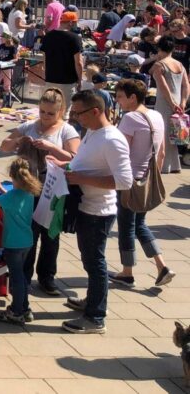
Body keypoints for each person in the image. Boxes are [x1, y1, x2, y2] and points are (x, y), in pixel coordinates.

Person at [62, 90, 133, 334]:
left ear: (95, 111)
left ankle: (96, 317)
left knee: (95, 262)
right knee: (89, 259)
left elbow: (125, 181)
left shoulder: (112, 139)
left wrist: (80, 177)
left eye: (78, 113)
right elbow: (85, 161)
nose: (75, 118)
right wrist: (66, 167)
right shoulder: (92, 131)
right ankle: (93, 301)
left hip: (98, 211)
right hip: (86, 206)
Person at [0, 88, 79, 296]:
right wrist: (18, 141)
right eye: (42, 111)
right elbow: (4, 147)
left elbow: (75, 158)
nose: (45, 117)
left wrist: (50, 148)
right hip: (28, 189)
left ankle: (46, 277)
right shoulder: (29, 126)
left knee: (50, 236)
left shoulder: (67, 131)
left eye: (50, 113)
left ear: (60, 111)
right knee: (29, 234)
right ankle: (24, 277)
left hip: (54, 190)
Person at [113, 78, 175, 288]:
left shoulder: (130, 118)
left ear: (132, 97)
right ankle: (162, 266)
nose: (117, 100)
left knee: (127, 226)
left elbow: (121, 152)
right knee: (139, 224)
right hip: (147, 179)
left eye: (120, 96)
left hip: (129, 180)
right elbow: (162, 151)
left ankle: (127, 272)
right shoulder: (156, 116)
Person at [0, 158, 42, 325]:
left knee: (16, 278)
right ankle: (25, 308)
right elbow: (14, 199)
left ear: (13, 177)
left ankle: (16, 311)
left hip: (13, 243)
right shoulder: (28, 192)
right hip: (26, 241)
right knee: (21, 275)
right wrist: (0, 188)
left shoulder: (14, 195)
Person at [150, 36, 189, 174]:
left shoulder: (159, 65)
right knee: (174, 134)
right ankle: (174, 164)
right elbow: (186, 85)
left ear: (159, 48)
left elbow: (163, 86)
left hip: (165, 102)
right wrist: (182, 102)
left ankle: (164, 165)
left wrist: (172, 103)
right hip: (179, 102)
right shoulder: (180, 65)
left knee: (163, 131)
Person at [40, 12, 83, 113]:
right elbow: (78, 62)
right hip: (67, 81)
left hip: (50, 78)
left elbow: (44, 59)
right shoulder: (74, 38)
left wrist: (46, 75)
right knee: (64, 111)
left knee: (50, 110)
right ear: (71, 23)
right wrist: (80, 80)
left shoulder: (48, 36)